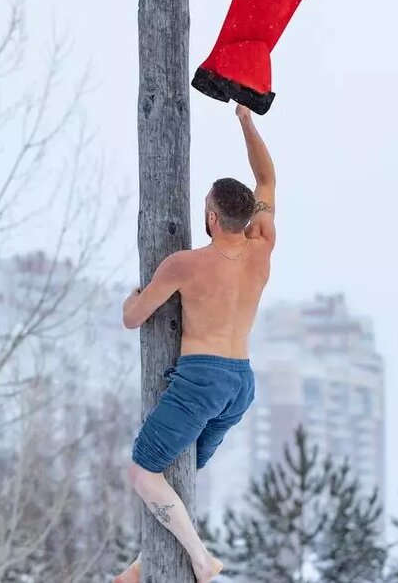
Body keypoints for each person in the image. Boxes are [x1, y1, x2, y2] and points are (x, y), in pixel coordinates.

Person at [114, 104, 277, 583]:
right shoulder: (262, 246)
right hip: (240, 382)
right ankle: (147, 564)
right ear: (246, 218)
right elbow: (266, 177)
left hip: (201, 376)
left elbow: (133, 318)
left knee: (144, 473)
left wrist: (132, 294)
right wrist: (247, 122)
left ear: (209, 216)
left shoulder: (184, 264)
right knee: (177, 475)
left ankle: (202, 563)